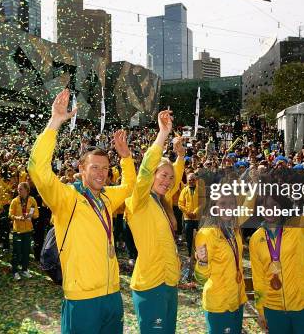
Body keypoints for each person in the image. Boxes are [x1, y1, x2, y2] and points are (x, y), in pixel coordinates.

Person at [27, 88, 136, 334]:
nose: (101, 173)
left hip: (112, 294)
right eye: (95, 168)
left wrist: (126, 157)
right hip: (82, 297)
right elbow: (38, 170)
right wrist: (55, 122)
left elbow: (130, 187)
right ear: (81, 169)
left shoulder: (107, 197)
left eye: (105, 168)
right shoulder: (67, 198)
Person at [250, 147, 304, 334]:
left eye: (275, 205)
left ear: (282, 206)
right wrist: (260, 310)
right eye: (265, 206)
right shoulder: (256, 238)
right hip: (273, 310)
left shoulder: (300, 224)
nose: (270, 211)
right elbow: (258, 279)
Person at [124, 110, 184, 333]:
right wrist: (162, 135)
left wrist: (180, 156)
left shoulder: (162, 202)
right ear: (152, 176)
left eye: (170, 177)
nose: (167, 181)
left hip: (169, 282)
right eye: (163, 175)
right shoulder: (138, 201)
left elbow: (175, 180)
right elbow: (146, 170)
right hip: (150, 284)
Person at [194, 191, 247, 334]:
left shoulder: (234, 230)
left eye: (231, 204)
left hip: (237, 300)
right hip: (219, 304)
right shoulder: (207, 233)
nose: (228, 208)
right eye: (222, 204)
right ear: (214, 207)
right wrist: (202, 262)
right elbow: (200, 279)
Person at [9, 181, 39, 280]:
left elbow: (36, 214)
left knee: (26, 251)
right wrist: (18, 217)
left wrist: (31, 215)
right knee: (16, 252)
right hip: (17, 230)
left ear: (27, 190)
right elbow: (10, 215)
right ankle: (15, 271)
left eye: (20, 189)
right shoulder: (14, 201)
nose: (18, 191)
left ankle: (24, 269)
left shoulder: (32, 200)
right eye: (18, 189)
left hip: (28, 230)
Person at [179, 172, 202, 257]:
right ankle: (190, 254)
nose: (191, 181)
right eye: (189, 180)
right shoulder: (184, 191)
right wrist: (188, 213)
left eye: (193, 180)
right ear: (187, 181)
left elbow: (203, 203)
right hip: (187, 218)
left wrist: (195, 212)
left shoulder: (200, 190)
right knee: (189, 238)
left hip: (198, 218)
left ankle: (199, 255)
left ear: (196, 180)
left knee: (200, 237)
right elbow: (180, 204)